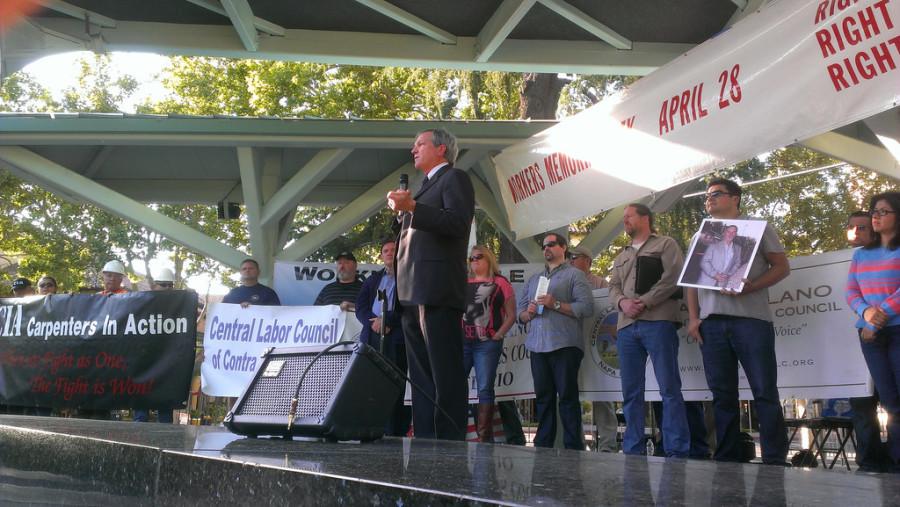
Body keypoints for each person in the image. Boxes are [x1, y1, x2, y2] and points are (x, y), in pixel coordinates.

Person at [686, 178, 790, 465]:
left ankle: (774, 458)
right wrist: (694, 319)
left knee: (764, 390)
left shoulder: (759, 227)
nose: (709, 200)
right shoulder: (701, 237)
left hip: (751, 320)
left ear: (736, 198)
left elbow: (782, 266)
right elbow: (691, 283)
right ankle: (727, 457)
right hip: (712, 324)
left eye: (716, 194)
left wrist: (752, 285)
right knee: (722, 395)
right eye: (706, 196)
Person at [386, 128, 475, 440]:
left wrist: (411, 209)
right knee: (422, 377)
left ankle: (449, 443)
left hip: (436, 289)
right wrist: (401, 216)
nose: (414, 149)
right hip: (411, 292)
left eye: (420, 143)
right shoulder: (424, 188)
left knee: (445, 372)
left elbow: (456, 223)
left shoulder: (455, 178)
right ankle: (425, 440)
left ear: (441, 149)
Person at [608, 203, 690, 458]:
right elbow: (613, 287)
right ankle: (633, 448)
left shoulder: (665, 244)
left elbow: (674, 276)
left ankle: (676, 449)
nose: (625, 221)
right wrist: (622, 302)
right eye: (623, 217)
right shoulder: (620, 256)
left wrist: (645, 301)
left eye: (629, 216)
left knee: (669, 387)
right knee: (631, 392)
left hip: (659, 321)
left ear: (645, 218)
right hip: (626, 327)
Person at [518, 233, 594, 450]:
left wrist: (556, 304)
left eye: (551, 245)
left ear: (563, 247)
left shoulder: (575, 275)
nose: (546, 249)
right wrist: (529, 313)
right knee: (543, 398)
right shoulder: (534, 279)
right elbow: (520, 314)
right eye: (544, 246)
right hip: (537, 346)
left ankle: (573, 448)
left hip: (565, 346)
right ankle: (543, 446)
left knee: (568, 398)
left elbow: (587, 307)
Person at [846, 192, 900, 471]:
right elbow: (851, 292)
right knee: (889, 400)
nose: (875, 216)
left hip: (896, 329)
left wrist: (880, 315)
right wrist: (867, 316)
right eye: (874, 211)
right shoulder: (860, 255)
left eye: (883, 211)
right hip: (870, 335)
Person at [355, 239, 410, 437]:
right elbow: (360, 307)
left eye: (393, 250)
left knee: (395, 384)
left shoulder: (408, 276)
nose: (388, 253)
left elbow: (408, 307)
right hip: (372, 338)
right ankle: (371, 428)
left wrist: (387, 321)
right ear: (380, 256)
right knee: (372, 384)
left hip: (396, 339)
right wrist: (373, 322)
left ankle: (395, 431)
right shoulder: (372, 279)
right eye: (385, 250)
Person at [462, 245, 516, 443]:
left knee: (485, 388)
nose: (474, 260)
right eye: (471, 258)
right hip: (463, 343)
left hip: (487, 344)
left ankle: (483, 437)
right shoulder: (463, 282)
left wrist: (499, 334)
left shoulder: (500, 282)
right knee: (458, 386)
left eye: (479, 257)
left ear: (489, 259)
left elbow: (511, 315)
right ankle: (459, 433)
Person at [569, 243, 617, 451]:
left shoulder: (600, 283)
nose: (571, 260)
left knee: (603, 396)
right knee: (571, 394)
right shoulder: (564, 281)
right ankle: (576, 443)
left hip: (597, 347)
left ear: (587, 261)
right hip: (571, 343)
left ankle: (607, 444)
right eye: (569, 257)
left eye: (575, 257)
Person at [134, 267, 177, 424]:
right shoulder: (141, 303)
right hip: (146, 357)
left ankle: (165, 435)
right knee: (142, 397)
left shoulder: (179, 306)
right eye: (163, 284)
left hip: (167, 359)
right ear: (154, 286)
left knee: (164, 401)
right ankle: (138, 434)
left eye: (170, 285)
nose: (167, 288)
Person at [698, 225, 743, 289]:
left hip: (723, 284)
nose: (730, 234)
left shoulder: (738, 248)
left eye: (733, 232)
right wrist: (715, 275)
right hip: (706, 282)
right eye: (728, 231)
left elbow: (737, 263)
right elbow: (704, 262)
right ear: (724, 232)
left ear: (735, 234)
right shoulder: (713, 245)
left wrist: (729, 274)